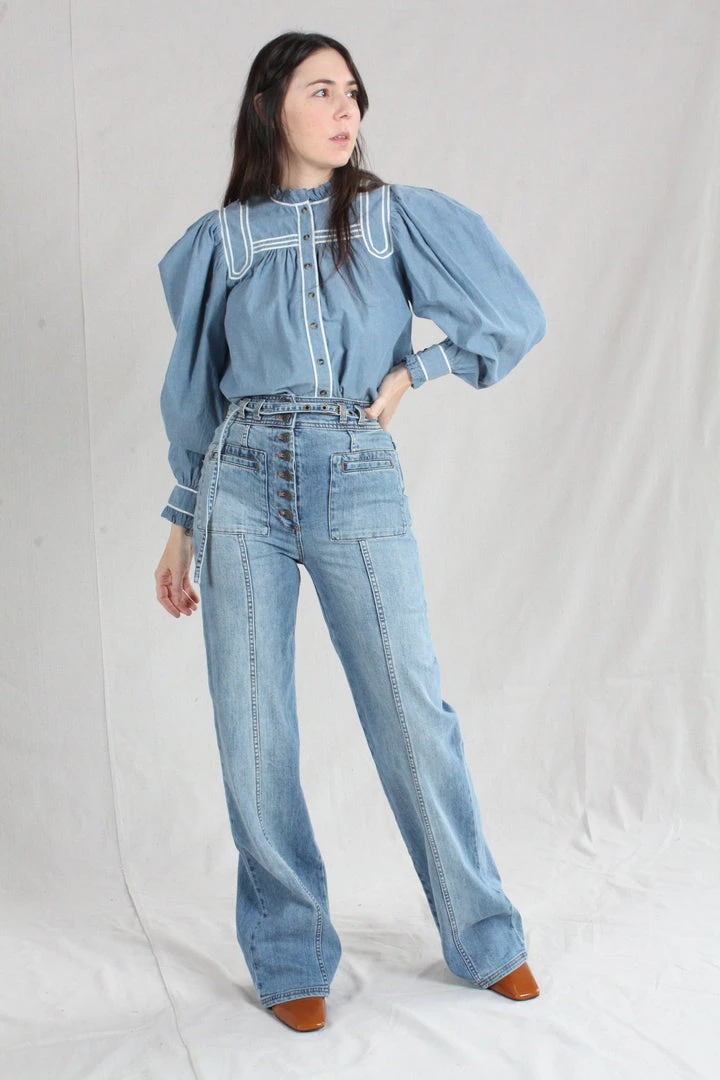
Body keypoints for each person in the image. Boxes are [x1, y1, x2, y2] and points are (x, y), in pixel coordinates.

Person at [154, 30, 547, 1033]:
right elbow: (194, 394)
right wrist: (182, 523)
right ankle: (289, 953)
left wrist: (421, 368)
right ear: (268, 106)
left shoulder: (387, 218)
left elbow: (512, 314)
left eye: (354, 94)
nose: (346, 111)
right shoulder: (221, 241)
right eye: (321, 90)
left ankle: (484, 934)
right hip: (238, 478)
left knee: (412, 710)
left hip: (353, 467)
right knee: (253, 727)